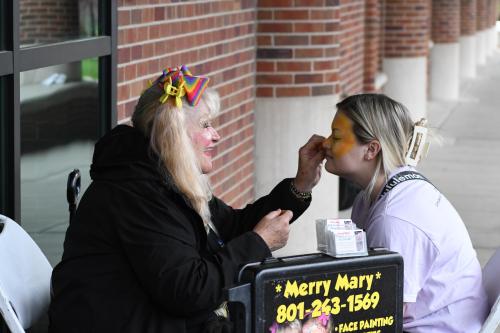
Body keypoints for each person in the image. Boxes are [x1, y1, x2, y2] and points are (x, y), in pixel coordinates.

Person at [48, 65, 325, 333]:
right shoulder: (136, 192)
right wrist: (259, 243)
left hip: (162, 318)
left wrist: (300, 185)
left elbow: (233, 225)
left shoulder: (165, 178)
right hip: (132, 322)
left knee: (304, 319)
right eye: (205, 125)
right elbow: (188, 291)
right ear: (174, 135)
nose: (216, 135)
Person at [321, 94, 488, 332]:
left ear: (371, 149)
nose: (325, 143)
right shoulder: (377, 193)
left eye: (336, 136)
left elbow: (382, 316)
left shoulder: (394, 219)